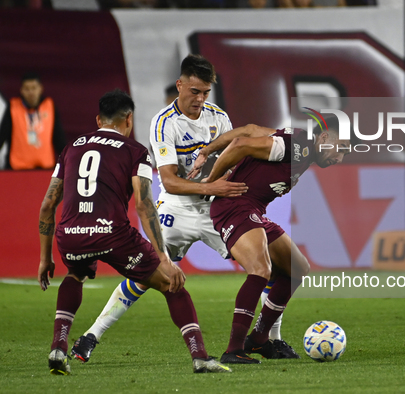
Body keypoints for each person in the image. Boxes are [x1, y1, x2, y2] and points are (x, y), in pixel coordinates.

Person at [69, 55, 297, 363]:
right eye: (194, 91)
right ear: (180, 85)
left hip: (218, 211)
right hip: (176, 211)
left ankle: (270, 339)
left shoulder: (218, 117)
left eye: (205, 92)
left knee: (269, 266)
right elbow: (170, 181)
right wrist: (211, 187)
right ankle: (91, 335)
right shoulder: (164, 123)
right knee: (144, 275)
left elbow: (236, 151)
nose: (200, 99)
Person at [37, 89, 231, 375]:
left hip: (72, 233)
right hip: (112, 234)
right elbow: (144, 205)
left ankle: (58, 347)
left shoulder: (71, 148)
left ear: (98, 119)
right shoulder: (135, 151)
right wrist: (164, 257)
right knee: (171, 283)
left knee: (75, 274)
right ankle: (199, 356)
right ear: (128, 119)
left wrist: (44, 258)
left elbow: (47, 206)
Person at [189, 116, 350, 364]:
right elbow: (241, 144)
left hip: (253, 210)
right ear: (325, 138)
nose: (339, 159)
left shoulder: (300, 142)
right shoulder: (298, 146)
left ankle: (259, 338)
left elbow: (251, 128)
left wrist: (208, 150)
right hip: (234, 205)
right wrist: (210, 184)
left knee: (297, 268)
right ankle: (233, 350)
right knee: (260, 269)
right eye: (341, 149)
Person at [0, 72, 66, 170]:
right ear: (21, 90)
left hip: (45, 168)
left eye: (34, 88)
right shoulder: (13, 107)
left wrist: (69, 160)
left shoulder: (49, 106)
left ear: (40, 88)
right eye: (27, 89)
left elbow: (58, 138)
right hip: (17, 169)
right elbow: (2, 136)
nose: (31, 92)